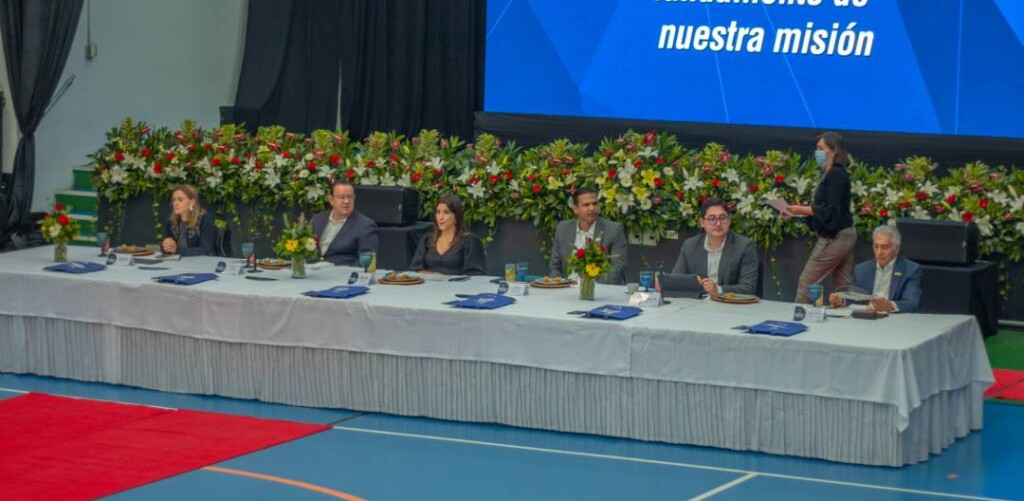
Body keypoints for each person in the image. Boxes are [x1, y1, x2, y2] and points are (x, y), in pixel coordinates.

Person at [787, 131, 856, 303]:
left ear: (834, 150)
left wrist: (802, 210)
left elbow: (831, 210)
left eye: (821, 148)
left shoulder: (836, 175)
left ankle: (799, 318)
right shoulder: (828, 174)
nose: (817, 152)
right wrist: (796, 211)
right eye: (817, 148)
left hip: (836, 236)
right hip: (842, 233)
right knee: (843, 285)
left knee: (807, 280)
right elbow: (822, 209)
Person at [671, 198, 759, 297]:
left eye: (722, 218)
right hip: (697, 305)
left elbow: (749, 287)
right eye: (712, 219)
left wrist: (718, 289)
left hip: (729, 305)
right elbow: (676, 280)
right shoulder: (690, 245)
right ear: (702, 222)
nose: (718, 224)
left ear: (729, 220)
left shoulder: (744, 246)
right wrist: (664, 282)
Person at [830, 225, 922, 313]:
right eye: (876, 246)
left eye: (884, 247)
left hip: (894, 320)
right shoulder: (862, 269)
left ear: (896, 248)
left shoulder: (910, 269)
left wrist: (890, 306)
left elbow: (912, 303)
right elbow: (853, 297)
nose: (879, 252)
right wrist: (841, 300)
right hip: (866, 318)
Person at [549, 186, 628, 284]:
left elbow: (616, 268)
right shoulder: (563, 228)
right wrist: (561, 287)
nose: (592, 208)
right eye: (586, 205)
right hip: (568, 290)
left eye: (595, 204)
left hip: (602, 291)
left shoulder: (614, 230)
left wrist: (590, 289)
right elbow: (555, 266)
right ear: (575, 209)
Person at [409, 194, 486, 275]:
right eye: (438, 212)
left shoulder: (469, 241)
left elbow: (475, 275)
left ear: (456, 217)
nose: (440, 217)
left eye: (446, 212)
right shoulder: (427, 239)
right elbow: (415, 271)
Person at [311, 180, 379, 266]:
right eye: (341, 197)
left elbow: (367, 262)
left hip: (341, 275)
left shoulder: (365, 225)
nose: (346, 201)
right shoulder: (318, 219)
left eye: (350, 197)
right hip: (312, 272)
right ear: (331, 200)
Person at [160, 184, 215, 256]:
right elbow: (167, 247)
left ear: (192, 202)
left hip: (201, 262)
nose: (175, 203)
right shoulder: (171, 221)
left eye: (180, 199)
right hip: (179, 262)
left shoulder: (204, 219)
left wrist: (176, 250)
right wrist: (166, 246)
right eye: (174, 200)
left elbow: (206, 249)